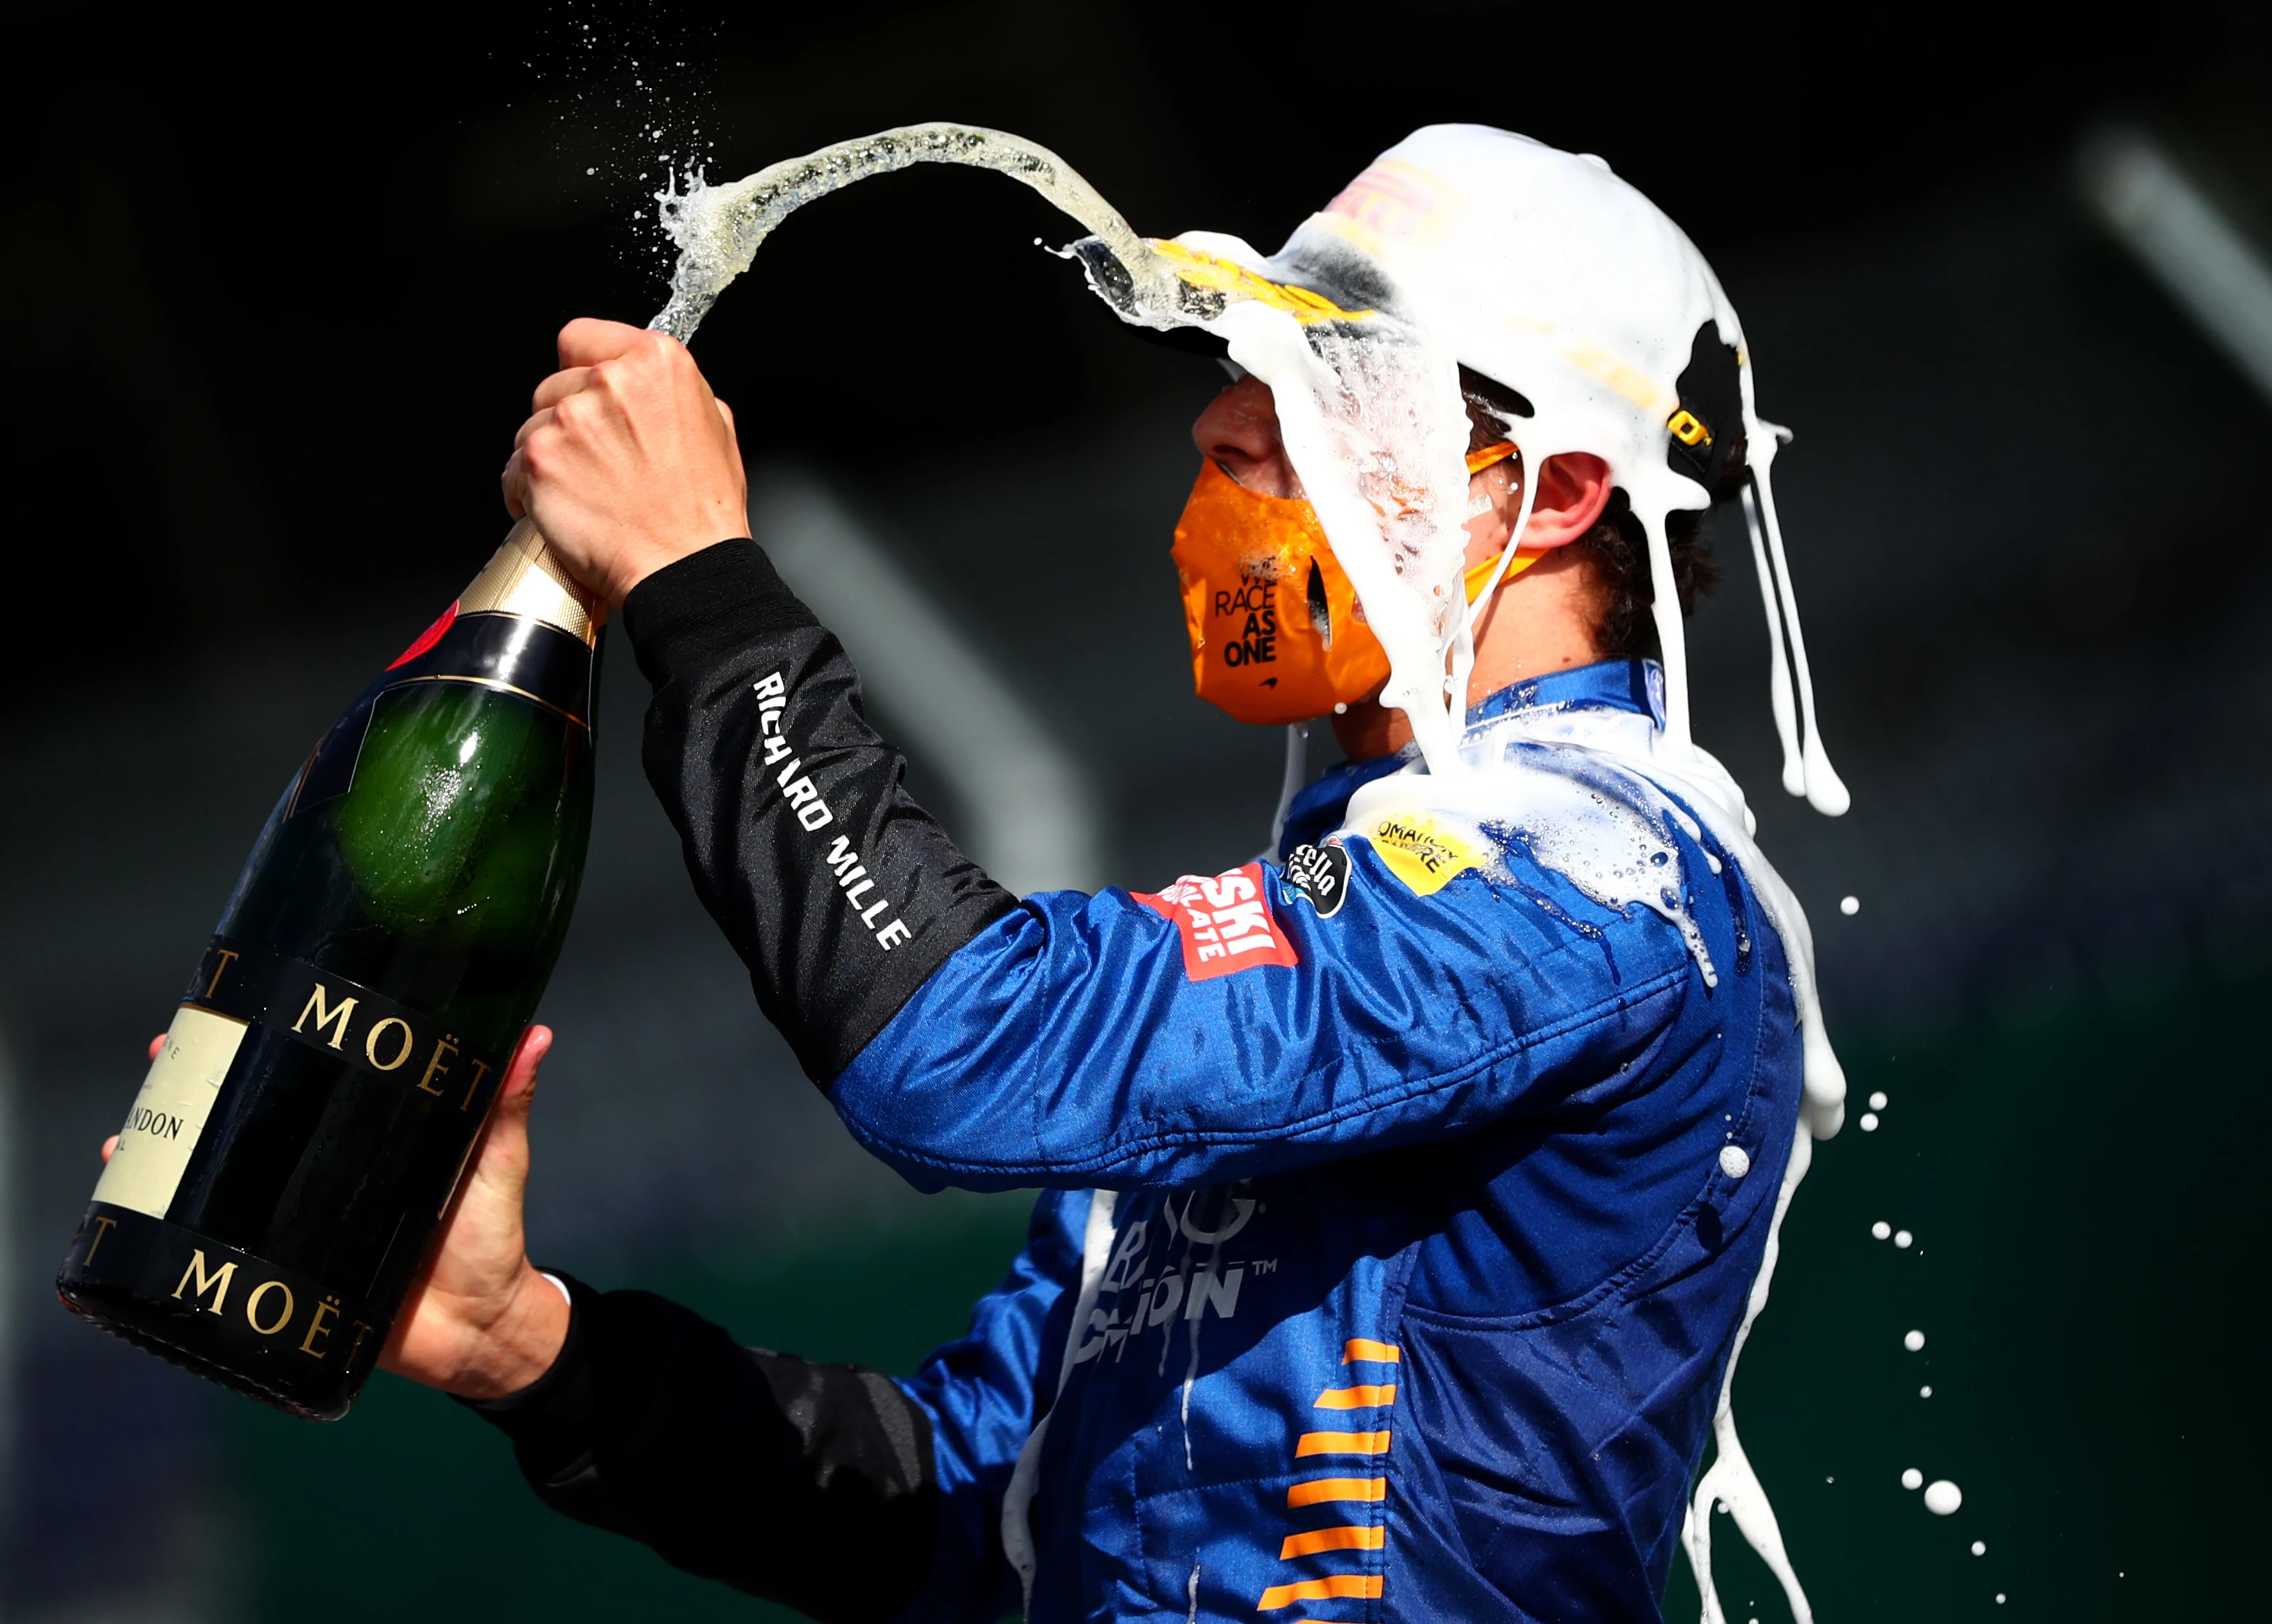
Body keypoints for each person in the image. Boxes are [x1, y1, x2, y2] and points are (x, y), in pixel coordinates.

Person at [369, 126, 1844, 1623]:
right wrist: (534, 1353)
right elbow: (971, 1517)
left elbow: (957, 1047)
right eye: (1247, 374)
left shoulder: (1590, 878)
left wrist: (701, 590)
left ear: (1549, 497)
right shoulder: (1345, 896)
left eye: (1329, 387)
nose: (1222, 428)